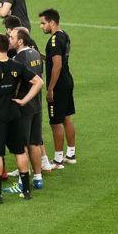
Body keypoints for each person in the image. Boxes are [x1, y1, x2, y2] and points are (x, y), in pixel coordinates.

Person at [0, 34, 44, 204]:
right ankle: (26, 191)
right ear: (8, 47)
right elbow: (39, 82)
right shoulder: (17, 65)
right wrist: (24, 100)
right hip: (14, 114)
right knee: (20, 151)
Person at [7, 27, 51, 191]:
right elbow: (40, 76)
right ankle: (38, 179)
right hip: (36, 105)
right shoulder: (35, 54)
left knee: (21, 145)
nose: (9, 39)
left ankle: (22, 183)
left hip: (23, 107)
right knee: (34, 142)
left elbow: (19, 82)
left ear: (20, 41)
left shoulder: (19, 58)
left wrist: (21, 99)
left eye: (11, 37)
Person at [39, 8, 77, 165]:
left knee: (55, 122)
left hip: (59, 85)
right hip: (67, 81)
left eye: (43, 23)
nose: (41, 26)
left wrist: (50, 89)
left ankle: (58, 159)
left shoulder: (54, 41)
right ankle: (71, 154)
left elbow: (57, 65)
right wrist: (41, 56)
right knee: (67, 118)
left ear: (52, 22)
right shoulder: (64, 35)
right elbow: (57, 59)